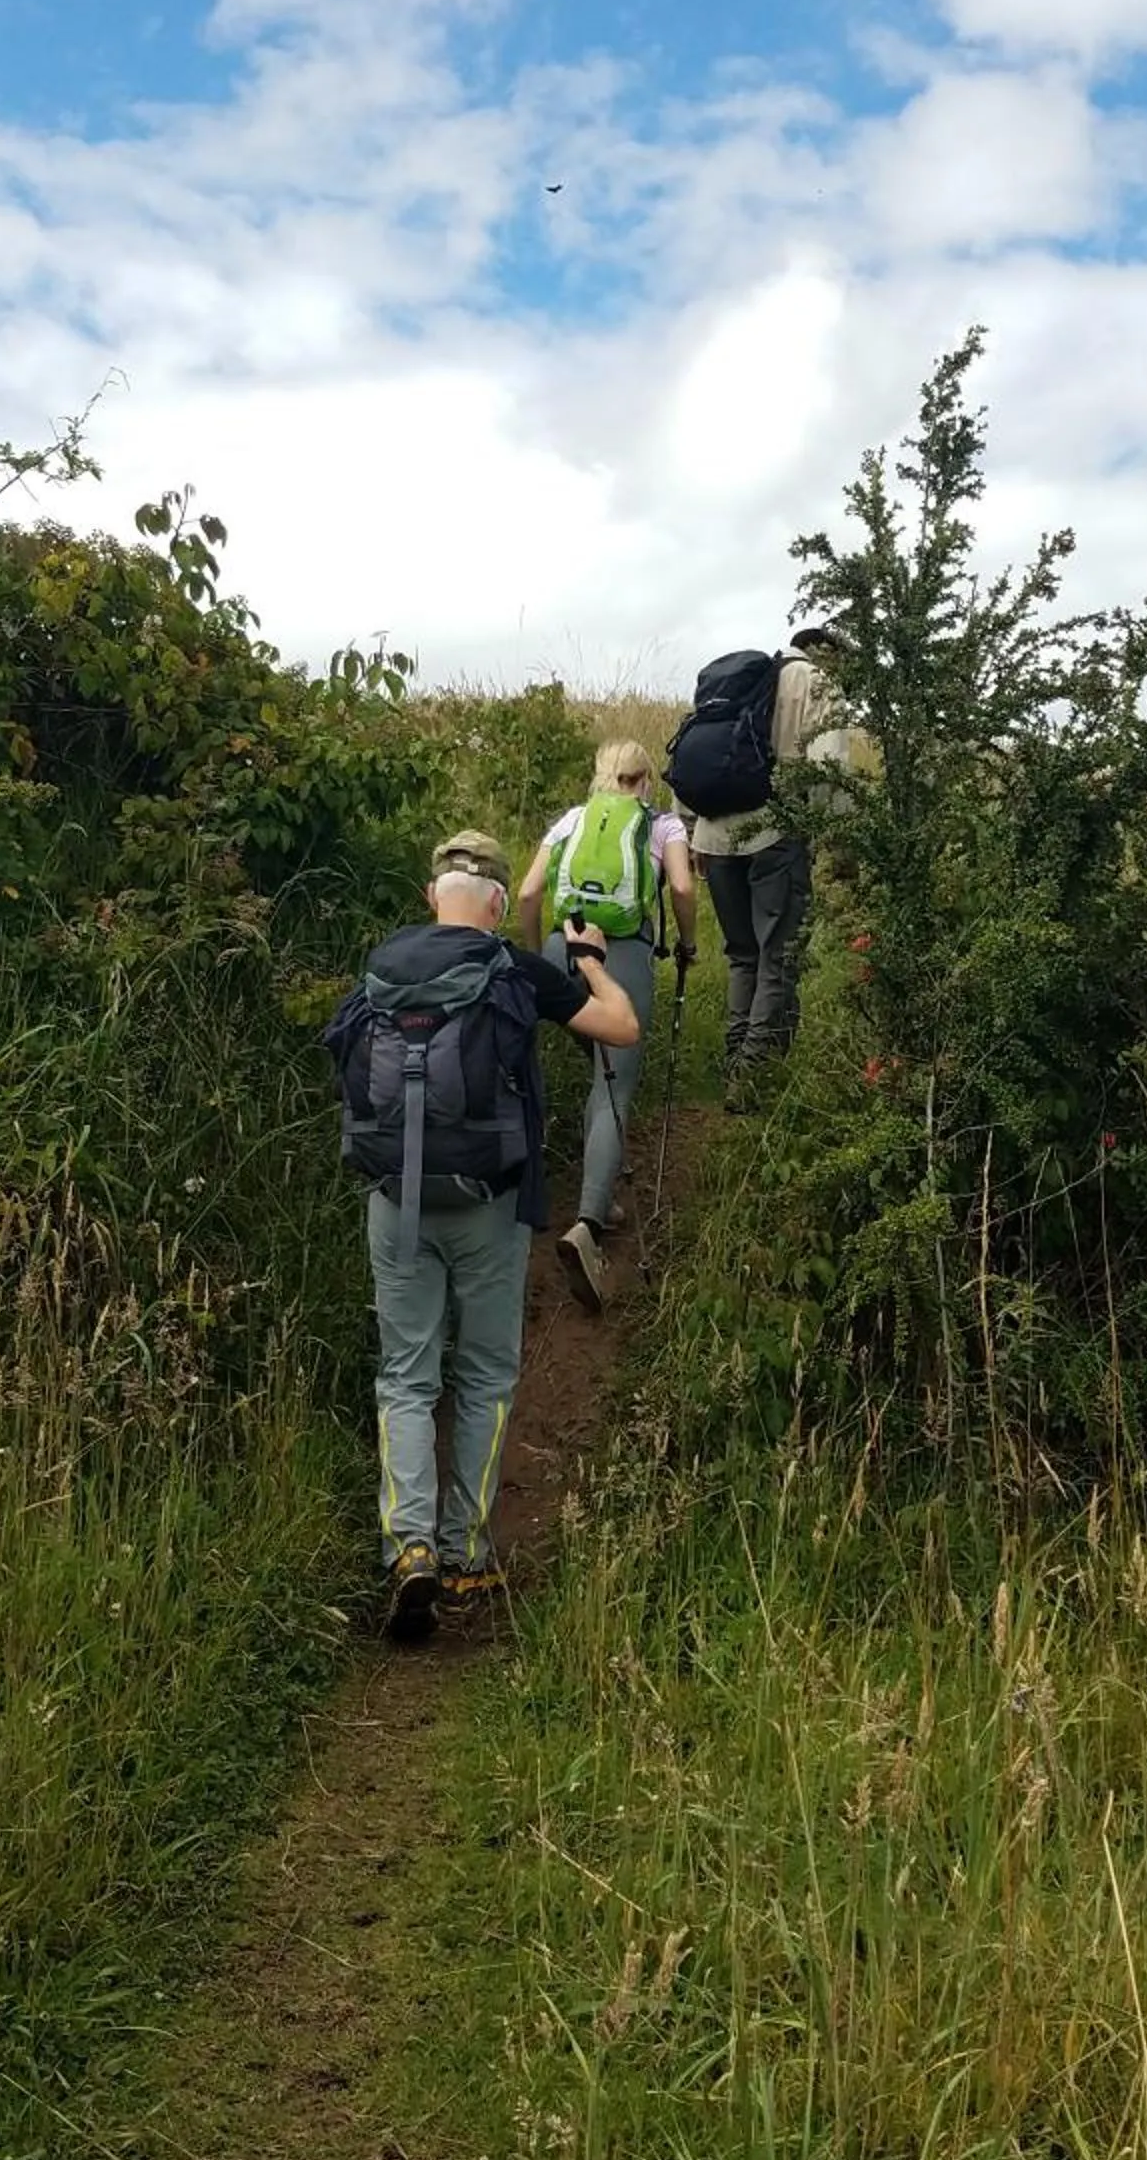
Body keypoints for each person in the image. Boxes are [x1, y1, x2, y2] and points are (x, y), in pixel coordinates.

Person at [323, 829, 639, 1641]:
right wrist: (590, 957)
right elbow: (621, 1028)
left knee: (405, 1375)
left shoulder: (382, 968)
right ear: (498, 904)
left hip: (395, 1201)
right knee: (487, 1373)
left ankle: (409, 1547)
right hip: (489, 1203)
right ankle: (466, 1552)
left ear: (434, 896)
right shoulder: (511, 968)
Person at [515, 739, 700, 1314]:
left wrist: (539, 954)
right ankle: (588, 1225)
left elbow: (527, 891)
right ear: (646, 778)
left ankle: (592, 1186)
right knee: (612, 1082)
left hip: (557, 948)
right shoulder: (663, 825)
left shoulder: (571, 819)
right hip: (618, 954)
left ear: (600, 775)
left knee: (594, 1061)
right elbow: (683, 888)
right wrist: (688, 944)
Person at [686, 625, 851, 1106]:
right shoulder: (816, 684)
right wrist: (831, 836)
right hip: (775, 834)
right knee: (778, 957)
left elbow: (696, 750)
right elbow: (829, 769)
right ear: (831, 656)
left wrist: (691, 828)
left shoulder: (740, 680)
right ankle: (751, 1076)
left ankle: (737, 1058)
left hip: (714, 836)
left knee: (743, 955)